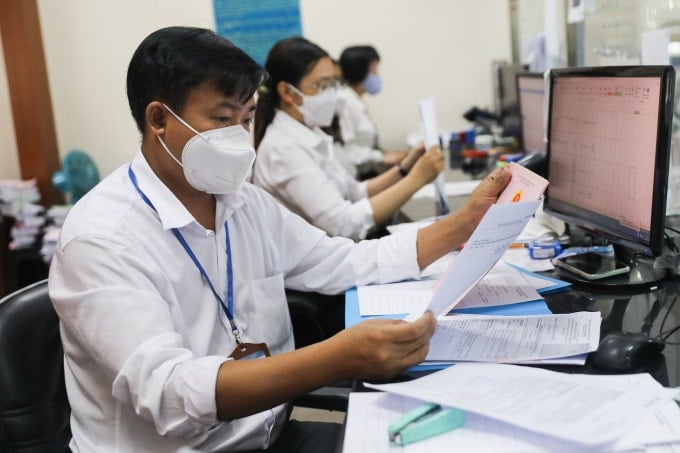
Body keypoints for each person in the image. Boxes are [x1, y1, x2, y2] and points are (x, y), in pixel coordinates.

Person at [48, 26, 510, 452]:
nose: (239, 137)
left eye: (246, 119)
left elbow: (345, 261)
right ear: (159, 120)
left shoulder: (243, 203)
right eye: (223, 117)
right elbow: (171, 395)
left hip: (270, 434)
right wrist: (335, 359)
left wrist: (464, 224)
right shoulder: (102, 238)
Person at [253, 37, 444, 241]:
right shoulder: (283, 148)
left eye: (334, 84)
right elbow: (343, 224)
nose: (333, 95)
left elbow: (354, 191)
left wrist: (405, 168)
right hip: (315, 267)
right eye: (322, 85)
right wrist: (416, 180)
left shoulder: (311, 134)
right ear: (287, 92)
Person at [337, 45, 409, 177]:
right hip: (356, 178)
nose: (377, 77)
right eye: (374, 71)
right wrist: (382, 158)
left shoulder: (356, 100)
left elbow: (364, 142)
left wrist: (386, 154)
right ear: (359, 71)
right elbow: (347, 152)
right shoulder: (344, 102)